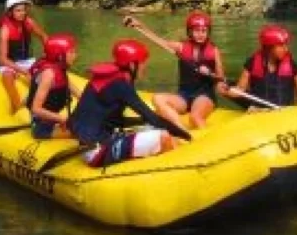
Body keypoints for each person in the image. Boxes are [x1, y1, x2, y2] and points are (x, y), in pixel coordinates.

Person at [67, 39, 192, 167]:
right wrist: (185, 135)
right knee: (164, 135)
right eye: (143, 63)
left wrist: (142, 121)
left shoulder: (112, 78)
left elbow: (116, 121)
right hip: (96, 152)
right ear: (132, 65)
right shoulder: (120, 85)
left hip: (96, 142)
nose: (145, 67)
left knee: (152, 128)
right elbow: (152, 117)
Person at [122, 11, 226, 129]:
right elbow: (158, 41)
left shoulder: (214, 51)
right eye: (197, 30)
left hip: (204, 96)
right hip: (184, 96)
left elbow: (221, 79)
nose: (200, 34)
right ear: (190, 31)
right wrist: (139, 25)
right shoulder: (181, 47)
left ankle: (208, 141)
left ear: (208, 32)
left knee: (195, 117)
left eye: (204, 31)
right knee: (158, 98)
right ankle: (181, 130)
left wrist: (210, 73)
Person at [226, 24, 297, 108]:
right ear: (269, 47)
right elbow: (240, 89)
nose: (286, 49)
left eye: (286, 45)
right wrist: (229, 92)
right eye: (281, 46)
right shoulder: (252, 63)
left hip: (284, 112)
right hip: (259, 112)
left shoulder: (293, 66)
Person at [0, 0, 48, 113]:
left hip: (27, 60)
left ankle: (43, 100)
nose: (22, 13)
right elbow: (3, 59)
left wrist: (49, 53)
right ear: (10, 12)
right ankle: (16, 105)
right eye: (18, 10)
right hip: (9, 63)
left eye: (24, 10)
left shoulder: (29, 22)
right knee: (7, 76)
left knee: (44, 73)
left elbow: (44, 37)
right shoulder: (5, 30)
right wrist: (23, 71)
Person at [27, 33, 83, 139]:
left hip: (53, 118)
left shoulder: (60, 69)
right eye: (71, 52)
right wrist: (62, 119)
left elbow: (77, 92)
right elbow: (36, 108)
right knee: (84, 133)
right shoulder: (49, 74)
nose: (75, 55)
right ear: (60, 56)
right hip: (42, 126)